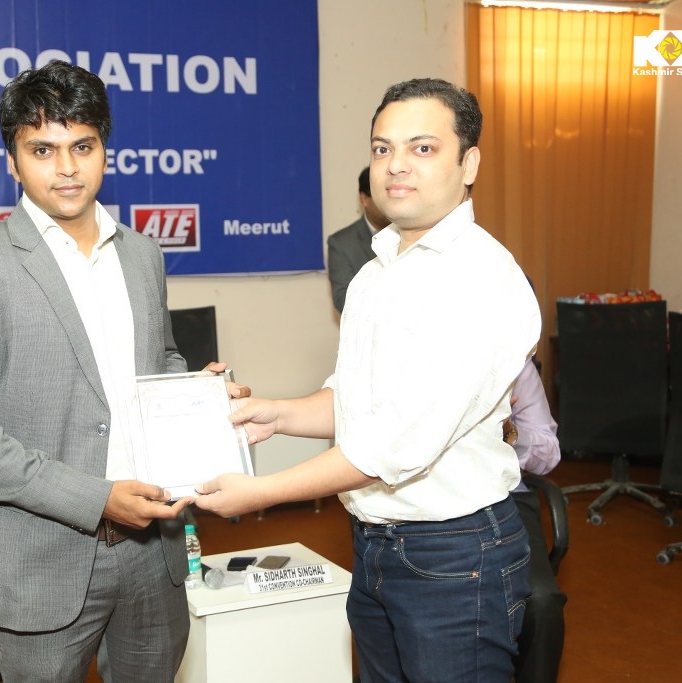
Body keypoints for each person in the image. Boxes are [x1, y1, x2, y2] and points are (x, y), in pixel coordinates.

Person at [194, 77, 541, 683]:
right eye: (383, 148)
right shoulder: (377, 272)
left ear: (469, 164)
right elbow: (357, 400)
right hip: (375, 544)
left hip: (454, 555)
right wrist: (276, 414)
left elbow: (395, 444)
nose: (396, 165)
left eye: (422, 148)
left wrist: (262, 492)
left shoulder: (481, 279)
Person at [0, 60, 243, 683]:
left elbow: (160, 360)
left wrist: (200, 397)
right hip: (37, 562)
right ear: (13, 162)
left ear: (104, 151)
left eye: (83, 146)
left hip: (154, 551)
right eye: (43, 150)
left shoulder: (142, 254)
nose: (66, 167)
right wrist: (97, 501)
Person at [505, 359, 567, 683]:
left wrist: (511, 433)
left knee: (542, 602)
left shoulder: (514, 361)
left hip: (504, 496)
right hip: (428, 501)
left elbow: (549, 455)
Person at [327, 166, 391, 313]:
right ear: (364, 199)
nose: (390, 203)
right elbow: (343, 300)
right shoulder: (342, 243)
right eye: (382, 196)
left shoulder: (414, 233)